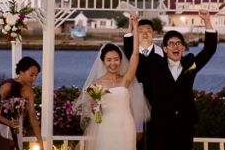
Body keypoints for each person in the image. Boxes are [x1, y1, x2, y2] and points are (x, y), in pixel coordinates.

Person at [137, 9, 217, 150]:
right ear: (165, 49)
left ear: (183, 48)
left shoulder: (190, 64)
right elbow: (133, 56)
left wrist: (207, 21)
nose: (175, 46)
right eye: (171, 44)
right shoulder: (154, 65)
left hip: (185, 123)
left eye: (179, 43)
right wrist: (132, 30)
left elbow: (209, 50)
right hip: (160, 123)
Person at [76, 15, 150, 150]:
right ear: (103, 62)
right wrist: (94, 108)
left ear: (120, 61)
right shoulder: (96, 84)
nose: (113, 63)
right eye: (109, 60)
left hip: (126, 126)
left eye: (116, 59)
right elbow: (96, 114)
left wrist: (134, 27)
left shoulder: (125, 79)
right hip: (107, 127)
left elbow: (135, 55)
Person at [123, 17, 165, 150]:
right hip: (136, 98)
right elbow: (128, 45)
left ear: (154, 32)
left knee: (155, 135)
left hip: (156, 99)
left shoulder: (162, 53)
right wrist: (131, 26)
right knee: (136, 135)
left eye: (148, 30)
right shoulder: (131, 54)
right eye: (141, 31)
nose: (145, 34)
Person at [0, 57, 43, 150]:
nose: (34, 78)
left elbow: (33, 117)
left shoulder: (29, 91)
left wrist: (40, 142)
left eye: (36, 75)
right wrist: (8, 122)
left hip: (11, 127)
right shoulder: (7, 87)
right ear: (22, 72)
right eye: (31, 75)